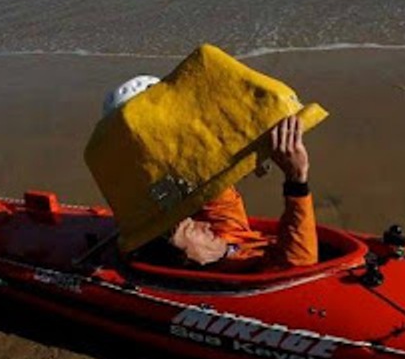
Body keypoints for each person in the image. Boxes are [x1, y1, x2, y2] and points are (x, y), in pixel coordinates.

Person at [102, 75, 318, 272]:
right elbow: (297, 266)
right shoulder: (218, 263)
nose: (204, 225)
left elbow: (214, 194)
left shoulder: (218, 233)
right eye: (190, 227)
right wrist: (296, 179)